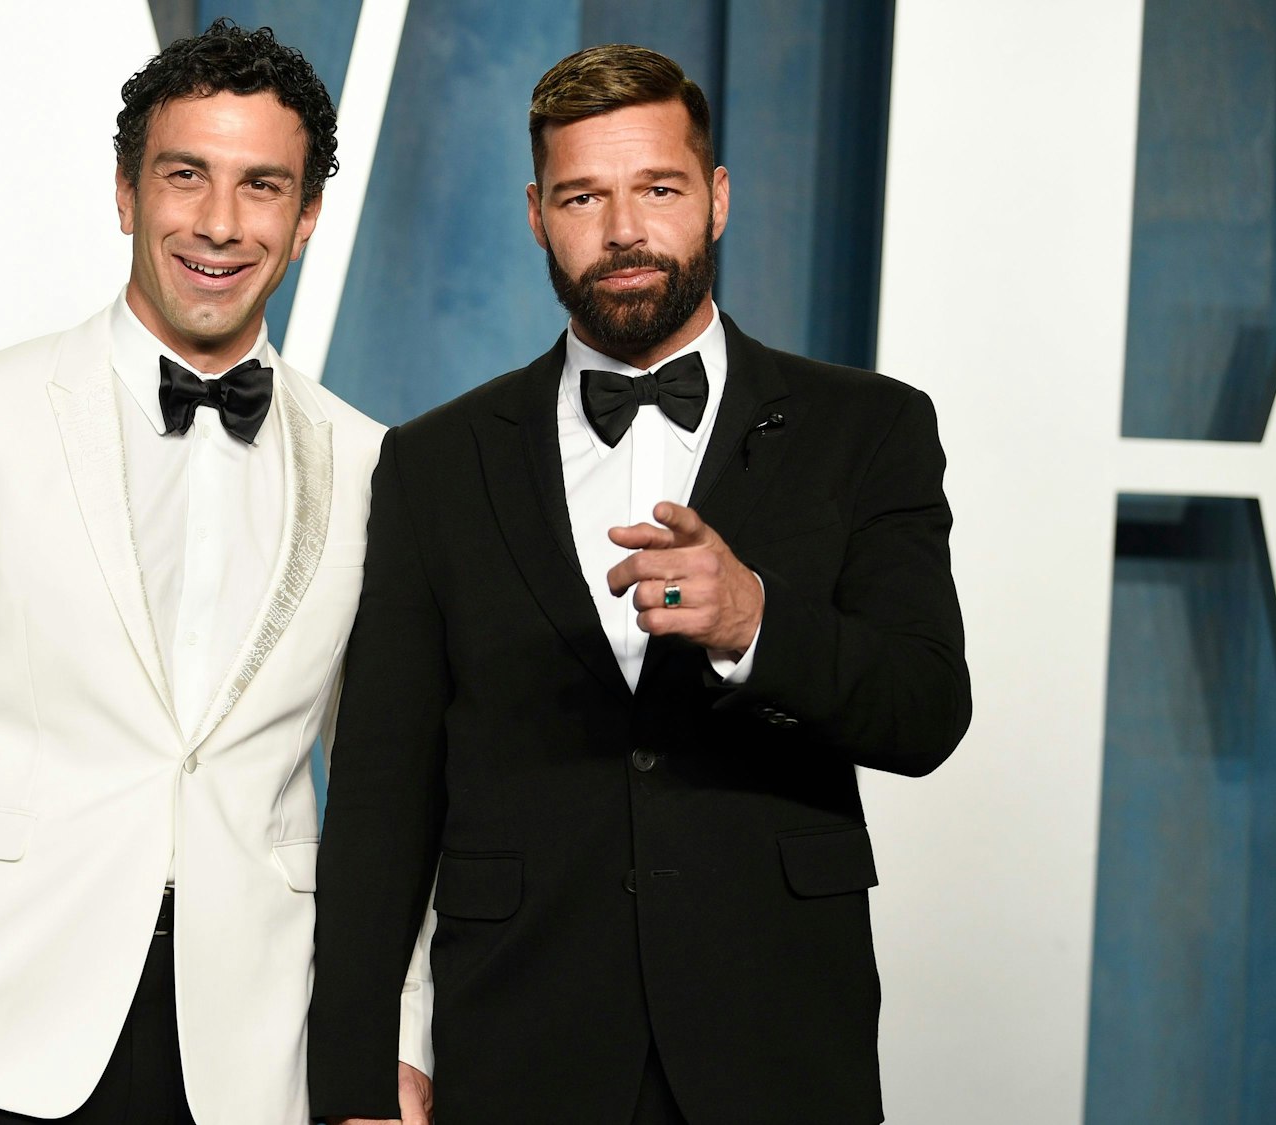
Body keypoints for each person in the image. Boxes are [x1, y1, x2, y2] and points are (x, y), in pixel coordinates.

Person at [0, 21, 427, 1124]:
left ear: (304, 218)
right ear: (126, 192)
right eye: (186, 177)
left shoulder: (369, 465)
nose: (219, 224)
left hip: (252, 1058)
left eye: (261, 186)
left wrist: (397, 1038)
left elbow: (396, 792)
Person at [308, 43, 971, 1125]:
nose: (622, 230)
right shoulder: (435, 460)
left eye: (656, 189)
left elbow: (925, 711)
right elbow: (383, 793)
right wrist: (353, 1069)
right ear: (535, 214)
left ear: (713, 199)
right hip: (516, 1043)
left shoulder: (869, 428)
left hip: (778, 1038)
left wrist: (757, 619)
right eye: (583, 196)